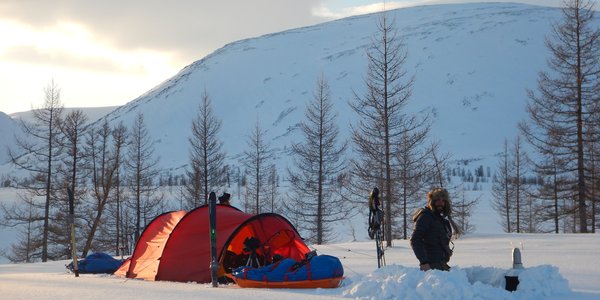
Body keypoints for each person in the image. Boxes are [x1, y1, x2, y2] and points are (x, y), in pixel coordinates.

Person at [410, 187, 458, 271]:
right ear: (432, 201)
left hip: (441, 264)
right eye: (438, 200)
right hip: (431, 266)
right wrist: (424, 262)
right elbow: (415, 239)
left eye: (443, 201)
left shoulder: (440, 219)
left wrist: (446, 250)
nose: (441, 203)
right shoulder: (425, 217)